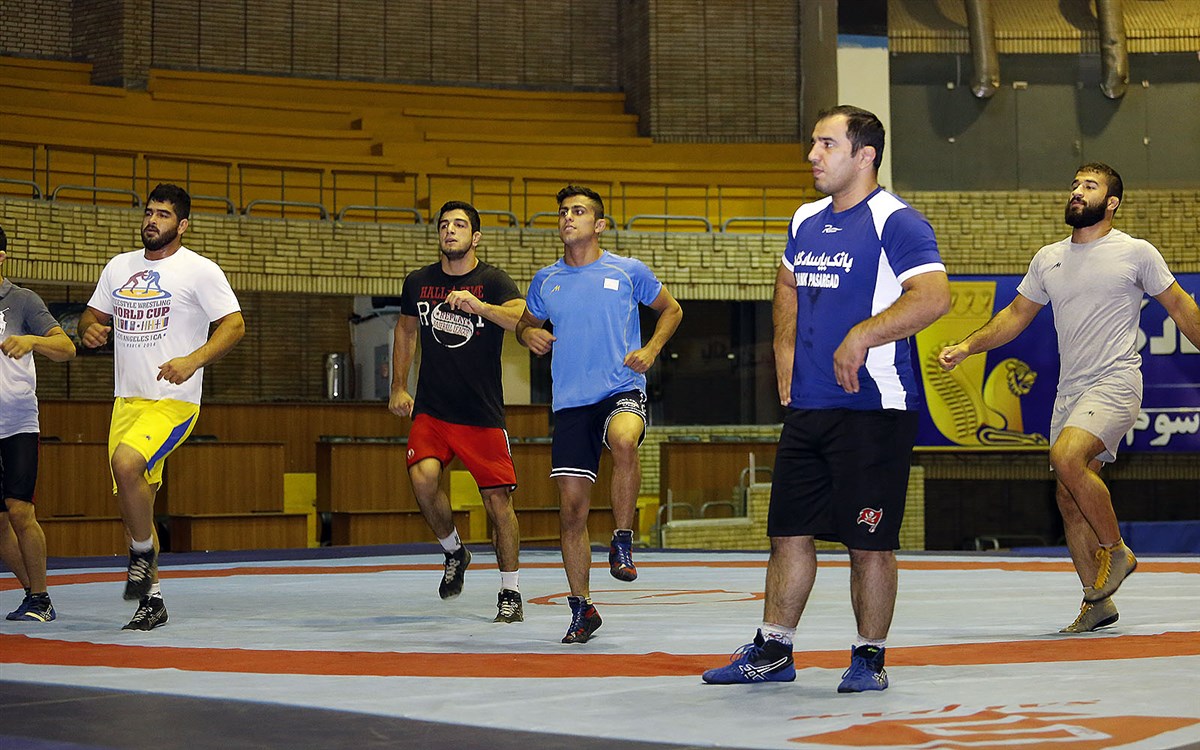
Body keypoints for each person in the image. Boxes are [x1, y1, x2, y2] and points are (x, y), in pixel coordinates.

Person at [702, 106, 950, 691]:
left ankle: (869, 658)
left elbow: (933, 297)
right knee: (788, 532)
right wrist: (783, 349)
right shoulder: (805, 218)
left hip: (874, 410)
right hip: (809, 408)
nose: (812, 155)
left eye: (826, 144)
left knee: (869, 543)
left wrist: (862, 335)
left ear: (865, 155)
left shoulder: (897, 222)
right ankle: (773, 651)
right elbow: (787, 281)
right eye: (814, 144)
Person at [938, 162, 1200, 633]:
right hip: (1071, 391)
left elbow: (1181, 307)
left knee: (1066, 457)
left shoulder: (1136, 252)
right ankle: (1097, 600)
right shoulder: (1048, 258)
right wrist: (967, 346)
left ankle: (1117, 551)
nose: (1077, 191)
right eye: (1075, 184)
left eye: (1089, 186)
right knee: (1067, 493)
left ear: (1112, 202)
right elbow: (1015, 315)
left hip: (1117, 381)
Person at [516, 185, 682, 644]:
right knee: (571, 513)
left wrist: (651, 349)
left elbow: (671, 310)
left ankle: (623, 539)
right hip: (571, 403)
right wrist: (527, 334)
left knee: (624, 439)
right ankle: (582, 609)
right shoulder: (546, 280)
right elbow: (525, 323)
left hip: (620, 387)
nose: (568, 218)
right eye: (563, 212)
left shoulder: (628, 271)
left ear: (600, 224)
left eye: (578, 211)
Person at [79, 184, 245, 631]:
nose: (152, 220)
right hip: (126, 401)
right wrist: (88, 329)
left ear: (182, 225)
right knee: (135, 504)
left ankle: (139, 560)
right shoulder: (119, 266)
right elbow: (92, 316)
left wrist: (193, 360)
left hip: (172, 402)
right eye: (149, 212)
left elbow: (234, 325)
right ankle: (152, 601)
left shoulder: (200, 270)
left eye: (163, 215)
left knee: (125, 463)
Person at [389, 200, 527, 623]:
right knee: (422, 478)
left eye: (460, 225)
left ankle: (510, 591)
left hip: (480, 413)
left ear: (476, 237)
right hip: (432, 409)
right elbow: (406, 330)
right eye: (444, 225)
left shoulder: (493, 281)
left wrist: (479, 306)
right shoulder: (419, 282)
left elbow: (522, 319)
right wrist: (398, 386)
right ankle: (454, 551)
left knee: (497, 503)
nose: (450, 230)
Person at [0, 226, 77, 622]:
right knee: (0, 525)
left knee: (19, 511)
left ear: (1, 257)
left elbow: (67, 347)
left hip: (16, 423)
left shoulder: (23, 301)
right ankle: (34, 595)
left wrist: (32, 341)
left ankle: (41, 595)